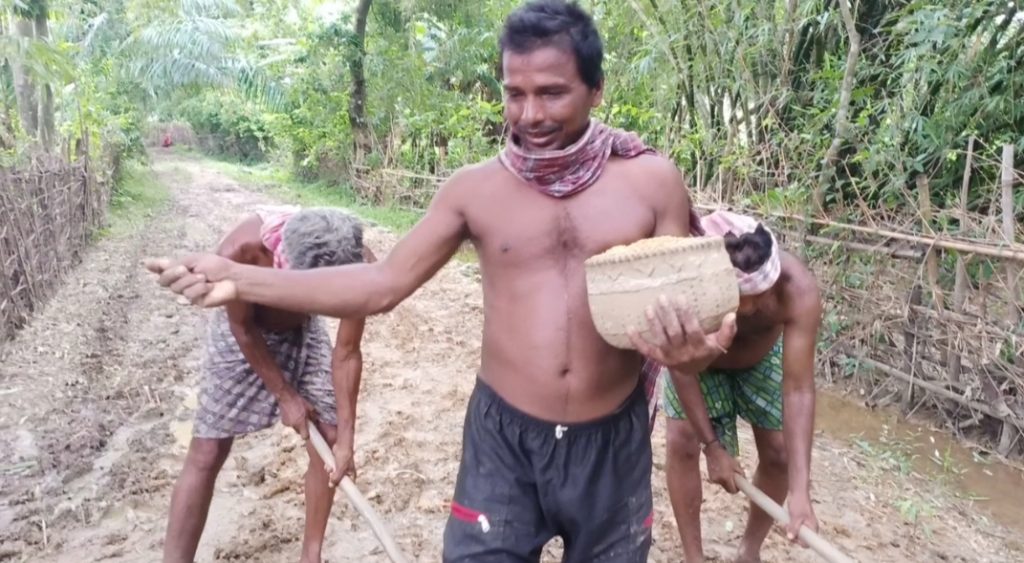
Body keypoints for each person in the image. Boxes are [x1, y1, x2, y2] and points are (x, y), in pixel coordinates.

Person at [146, 1, 736, 561]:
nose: (530, 115)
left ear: (597, 89)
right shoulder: (473, 190)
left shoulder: (652, 182)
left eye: (552, 93)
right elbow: (380, 284)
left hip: (613, 440)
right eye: (514, 94)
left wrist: (693, 359)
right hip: (503, 439)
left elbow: (680, 328)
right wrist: (241, 279)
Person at [158, 206, 374, 563]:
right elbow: (242, 328)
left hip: (302, 331)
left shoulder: (358, 265)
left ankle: (311, 556)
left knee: (331, 435)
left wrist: (347, 440)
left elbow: (347, 352)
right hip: (245, 332)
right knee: (209, 450)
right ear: (285, 265)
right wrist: (285, 395)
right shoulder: (240, 253)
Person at [658, 210, 822, 563]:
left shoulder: (798, 291)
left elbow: (798, 389)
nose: (752, 306)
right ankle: (694, 557)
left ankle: (749, 549)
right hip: (699, 363)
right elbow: (680, 367)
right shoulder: (688, 286)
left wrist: (800, 491)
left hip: (762, 359)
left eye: (761, 294)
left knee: (780, 453)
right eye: (740, 296)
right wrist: (712, 446)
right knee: (682, 441)